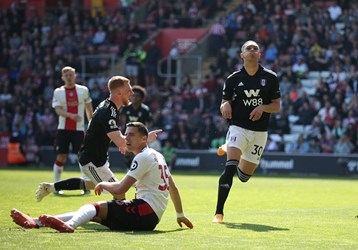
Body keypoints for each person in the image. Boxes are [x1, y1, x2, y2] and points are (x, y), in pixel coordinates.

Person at [11, 122, 193, 232]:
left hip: (144, 211)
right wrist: (180, 215)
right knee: (90, 214)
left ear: (144, 139)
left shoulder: (143, 156)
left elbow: (121, 189)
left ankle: (70, 226)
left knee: (91, 206)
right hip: (148, 216)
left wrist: (103, 184)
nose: (126, 138)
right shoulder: (157, 155)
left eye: (131, 135)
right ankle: (35, 222)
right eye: (125, 134)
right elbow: (173, 188)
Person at [36, 76, 161, 202]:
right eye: (129, 90)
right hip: (93, 161)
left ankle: (50, 187)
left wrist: (120, 141)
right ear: (119, 93)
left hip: (97, 159)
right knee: (119, 192)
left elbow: (107, 133)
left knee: (90, 184)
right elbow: (120, 140)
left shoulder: (109, 106)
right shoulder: (108, 111)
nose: (132, 93)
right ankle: (106, 217)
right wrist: (146, 139)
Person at [213, 40, 281, 223]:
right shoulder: (233, 79)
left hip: (259, 132)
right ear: (242, 55)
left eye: (255, 49)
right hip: (238, 127)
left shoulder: (271, 77)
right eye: (248, 48)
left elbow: (277, 106)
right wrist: (225, 105)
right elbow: (224, 102)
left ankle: (229, 146)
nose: (252, 50)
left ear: (260, 55)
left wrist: (262, 108)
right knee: (230, 168)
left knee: (243, 177)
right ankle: (218, 213)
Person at [51, 66, 93, 195]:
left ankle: (86, 186)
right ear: (63, 78)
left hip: (78, 130)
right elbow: (57, 110)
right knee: (61, 156)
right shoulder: (58, 92)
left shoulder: (83, 90)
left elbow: (88, 107)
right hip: (63, 129)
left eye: (71, 75)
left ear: (75, 76)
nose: (69, 77)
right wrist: (71, 115)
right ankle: (56, 187)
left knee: (82, 157)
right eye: (66, 75)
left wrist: (91, 123)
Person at [120, 85, 152, 168]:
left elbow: (148, 123)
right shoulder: (126, 108)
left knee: (141, 154)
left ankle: (140, 171)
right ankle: (129, 169)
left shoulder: (145, 109)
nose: (134, 98)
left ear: (141, 98)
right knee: (127, 153)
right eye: (133, 95)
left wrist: (147, 135)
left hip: (140, 136)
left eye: (137, 96)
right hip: (128, 134)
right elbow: (121, 120)